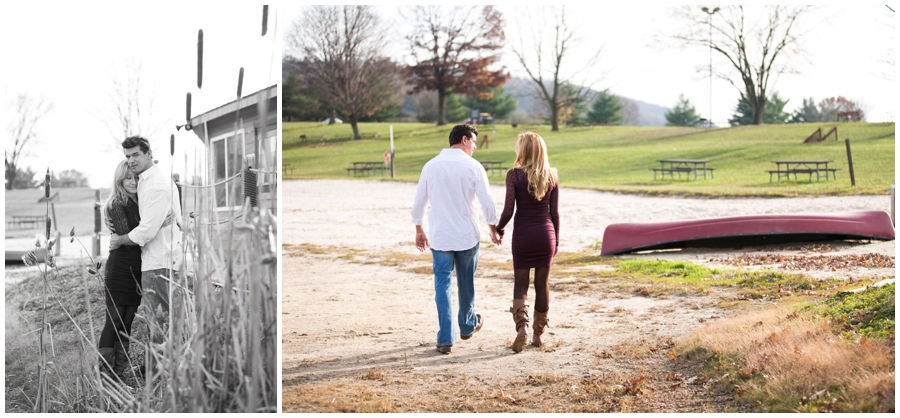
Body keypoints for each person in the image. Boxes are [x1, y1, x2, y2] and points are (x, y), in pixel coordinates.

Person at [411, 124, 501, 354]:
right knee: (466, 281)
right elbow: (486, 202)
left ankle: (445, 337)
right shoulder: (473, 167)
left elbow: (420, 200)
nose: (475, 147)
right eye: (473, 142)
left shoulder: (430, 166)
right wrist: (492, 227)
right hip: (466, 235)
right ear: (463, 139)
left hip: (440, 236)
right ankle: (467, 324)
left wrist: (419, 228)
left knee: (442, 284)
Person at [109, 135, 182, 377]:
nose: (130, 161)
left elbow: (146, 231)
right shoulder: (145, 182)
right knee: (159, 320)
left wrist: (119, 240)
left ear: (149, 153)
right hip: (156, 260)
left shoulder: (155, 184)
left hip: (159, 261)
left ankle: (159, 373)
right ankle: (154, 369)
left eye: (136, 155)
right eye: (127, 157)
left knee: (159, 321)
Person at [494, 132, 560, 353]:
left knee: (521, 284)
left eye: (518, 145)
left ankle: (521, 328)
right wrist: (556, 241)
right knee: (542, 285)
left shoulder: (514, 175)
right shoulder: (552, 175)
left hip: (523, 235)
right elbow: (555, 213)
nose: (515, 149)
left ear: (524, 151)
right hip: (545, 235)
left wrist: (498, 228)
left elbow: (508, 210)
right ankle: (538, 335)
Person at [97, 161, 143, 379]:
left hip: (137, 269)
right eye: (128, 178)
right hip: (119, 268)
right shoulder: (116, 203)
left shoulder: (142, 201)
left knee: (127, 322)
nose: (133, 182)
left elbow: (140, 233)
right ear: (119, 180)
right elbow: (127, 235)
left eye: (135, 177)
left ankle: (119, 375)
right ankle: (105, 376)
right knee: (114, 321)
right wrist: (157, 224)